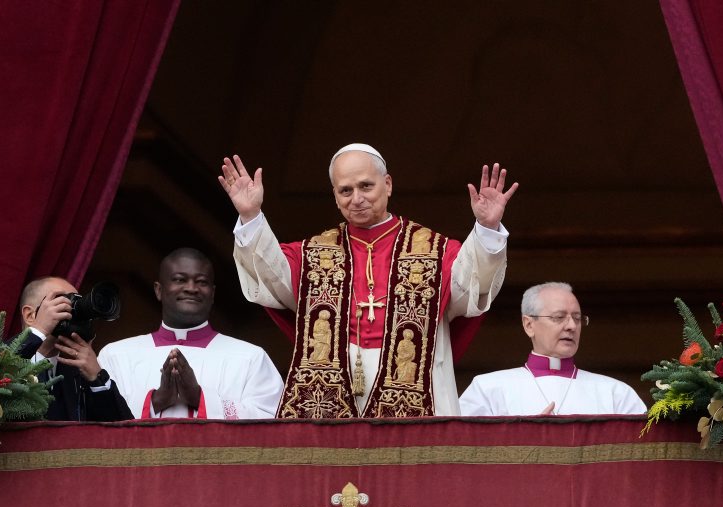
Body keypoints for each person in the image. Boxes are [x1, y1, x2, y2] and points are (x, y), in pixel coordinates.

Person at [221, 143, 518, 418]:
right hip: (332, 385)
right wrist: (251, 216)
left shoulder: (435, 251)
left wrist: (487, 227)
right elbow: (272, 277)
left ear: (387, 184)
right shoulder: (313, 253)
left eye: (366, 186)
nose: (357, 199)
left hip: (415, 383)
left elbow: (471, 286)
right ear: (335, 196)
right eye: (345, 190)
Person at [98, 249, 283, 419]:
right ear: (159, 290)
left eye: (201, 282)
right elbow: (97, 420)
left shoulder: (251, 358)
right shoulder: (116, 356)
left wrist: (199, 398)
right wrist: (157, 400)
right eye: (180, 279)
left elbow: (272, 422)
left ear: (212, 293)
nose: (191, 288)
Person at [459, 282, 646, 416]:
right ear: (529, 325)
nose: (571, 326)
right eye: (559, 317)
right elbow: (462, 449)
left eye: (577, 318)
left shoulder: (617, 394)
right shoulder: (487, 389)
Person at [18, 277, 134, 421]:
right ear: (30, 315)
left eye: (75, 302)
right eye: (61, 302)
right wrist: (38, 332)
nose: (71, 311)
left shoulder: (77, 375)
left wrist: (97, 379)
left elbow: (124, 429)